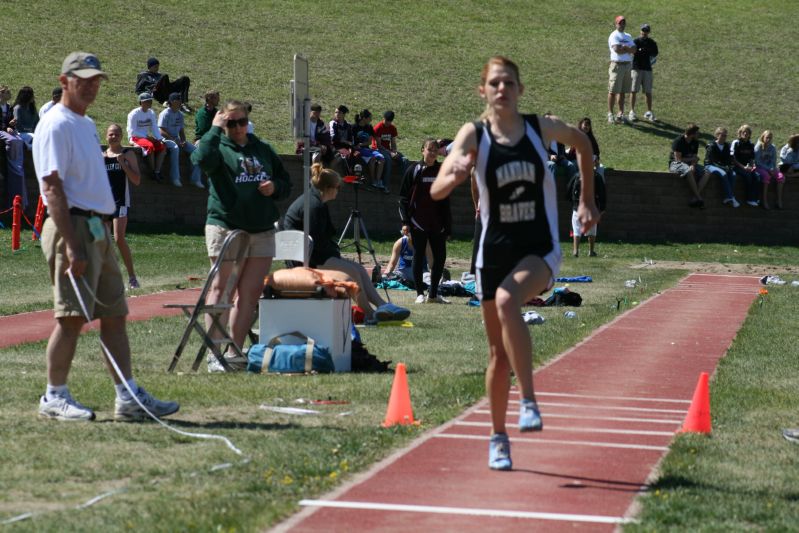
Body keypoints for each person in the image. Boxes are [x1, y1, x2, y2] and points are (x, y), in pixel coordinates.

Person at [430, 56, 599, 471]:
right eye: (494, 83)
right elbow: (437, 188)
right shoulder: (473, 133)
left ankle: (529, 400)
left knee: (509, 302)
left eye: (509, 82)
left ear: (520, 90)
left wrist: (586, 199)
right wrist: (456, 174)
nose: (501, 89)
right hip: (493, 251)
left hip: (538, 247)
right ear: (482, 90)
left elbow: (582, 144)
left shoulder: (540, 128)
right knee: (496, 356)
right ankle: (498, 437)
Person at [32, 51, 179, 421]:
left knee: (114, 314)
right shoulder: (57, 123)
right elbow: (52, 188)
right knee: (71, 316)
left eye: (97, 79)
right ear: (65, 81)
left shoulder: (85, 123)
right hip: (74, 227)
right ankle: (54, 395)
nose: (92, 86)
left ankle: (127, 397)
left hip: (97, 226)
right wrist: (72, 242)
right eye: (84, 79)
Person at [191, 99, 292, 372]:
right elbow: (200, 160)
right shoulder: (218, 147)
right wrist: (213, 130)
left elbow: (286, 182)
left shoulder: (262, 148)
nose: (237, 127)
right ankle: (214, 353)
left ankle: (233, 351)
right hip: (226, 226)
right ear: (223, 123)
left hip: (260, 228)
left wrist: (275, 188)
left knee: (249, 293)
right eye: (230, 122)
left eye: (241, 121)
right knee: (221, 289)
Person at [282, 163, 411, 324]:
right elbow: (317, 242)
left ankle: (383, 305)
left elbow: (320, 241)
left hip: (311, 253)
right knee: (352, 272)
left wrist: (337, 257)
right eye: (338, 187)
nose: (338, 191)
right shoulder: (314, 206)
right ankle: (370, 313)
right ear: (329, 188)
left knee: (359, 269)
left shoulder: (315, 201)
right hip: (306, 258)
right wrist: (337, 258)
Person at [399, 138, 451, 304]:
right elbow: (402, 199)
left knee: (440, 258)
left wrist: (448, 225)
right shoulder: (414, 170)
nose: (433, 152)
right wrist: (405, 222)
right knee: (419, 255)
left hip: (437, 223)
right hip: (417, 222)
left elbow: (446, 200)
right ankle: (419, 294)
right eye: (430, 149)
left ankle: (433, 294)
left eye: (436, 150)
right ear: (422, 150)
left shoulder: (442, 170)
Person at [103, 123, 142, 289]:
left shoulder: (128, 154)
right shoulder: (102, 155)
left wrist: (123, 163)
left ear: (122, 136)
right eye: (111, 134)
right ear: (106, 136)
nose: (114, 136)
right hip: (104, 203)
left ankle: (132, 277)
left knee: (119, 239)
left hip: (120, 201)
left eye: (117, 133)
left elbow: (137, 180)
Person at [158, 92, 204, 188]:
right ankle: (175, 178)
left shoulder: (180, 114)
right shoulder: (165, 113)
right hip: (165, 139)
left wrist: (183, 140)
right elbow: (161, 131)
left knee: (197, 151)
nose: (180, 102)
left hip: (177, 139)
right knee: (175, 148)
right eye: (178, 100)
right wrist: (174, 140)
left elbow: (181, 131)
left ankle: (195, 179)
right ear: (172, 101)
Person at [669, 124, 711, 208]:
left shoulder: (695, 142)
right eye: (697, 133)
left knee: (707, 172)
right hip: (675, 164)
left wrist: (693, 165)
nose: (699, 135)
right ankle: (698, 197)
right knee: (688, 170)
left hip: (689, 163)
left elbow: (695, 158)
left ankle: (695, 197)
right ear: (692, 134)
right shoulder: (678, 141)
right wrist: (691, 161)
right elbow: (678, 160)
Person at [127, 92, 167, 182]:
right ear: (141, 102)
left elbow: (154, 128)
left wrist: (160, 139)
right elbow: (132, 131)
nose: (149, 103)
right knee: (150, 146)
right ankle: (152, 171)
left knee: (163, 147)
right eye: (147, 101)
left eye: (150, 101)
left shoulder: (151, 113)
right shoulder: (133, 114)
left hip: (146, 137)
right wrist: (146, 137)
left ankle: (157, 171)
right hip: (135, 137)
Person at [567, 168, 606, 257]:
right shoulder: (597, 176)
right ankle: (591, 251)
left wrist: (573, 203)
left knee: (576, 230)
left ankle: (576, 251)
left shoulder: (577, 175)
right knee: (592, 231)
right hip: (591, 207)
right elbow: (602, 192)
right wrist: (602, 207)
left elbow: (569, 189)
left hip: (577, 206)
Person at [0, 84, 26, 209]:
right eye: (7, 92)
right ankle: (13, 157)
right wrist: (6, 127)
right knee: (12, 141)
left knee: (20, 140)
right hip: (2, 132)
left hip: (6, 130)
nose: (10, 94)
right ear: (1, 94)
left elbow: (9, 122)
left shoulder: (9, 107)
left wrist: (12, 124)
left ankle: (18, 159)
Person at [607, 15, 636, 124]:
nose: (622, 25)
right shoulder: (614, 35)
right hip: (617, 65)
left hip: (627, 65)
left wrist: (625, 47)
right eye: (620, 23)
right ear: (616, 24)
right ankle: (610, 114)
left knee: (623, 91)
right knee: (613, 91)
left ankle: (620, 113)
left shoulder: (628, 36)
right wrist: (627, 49)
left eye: (623, 23)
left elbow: (634, 50)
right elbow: (617, 50)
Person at [629, 23, 658, 122]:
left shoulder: (652, 43)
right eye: (643, 30)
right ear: (640, 31)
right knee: (633, 90)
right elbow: (632, 52)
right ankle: (632, 111)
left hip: (647, 69)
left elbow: (655, 54)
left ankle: (649, 112)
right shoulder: (635, 41)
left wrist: (643, 51)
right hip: (636, 68)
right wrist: (643, 51)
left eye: (646, 31)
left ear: (648, 32)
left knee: (648, 91)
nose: (644, 32)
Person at [373, 110, 409, 190]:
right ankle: (386, 185)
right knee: (388, 160)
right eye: (386, 121)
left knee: (405, 160)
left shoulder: (392, 128)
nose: (388, 123)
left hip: (388, 150)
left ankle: (404, 184)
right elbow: (379, 145)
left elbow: (393, 142)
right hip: (378, 150)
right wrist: (390, 153)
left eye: (389, 121)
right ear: (383, 118)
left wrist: (395, 151)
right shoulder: (378, 127)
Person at [704, 127, 739, 207]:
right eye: (722, 135)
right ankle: (731, 197)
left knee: (733, 174)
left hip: (722, 166)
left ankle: (728, 197)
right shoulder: (711, 145)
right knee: (723, 173)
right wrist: (722, 167)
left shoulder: (727, 146)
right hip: (710, 165)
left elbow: (729, 159)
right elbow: (711, 160)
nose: (724, 137)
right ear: (717, 135)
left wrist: (729, 166)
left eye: (725, 136)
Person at [353, 109, 387, 191]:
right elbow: (353, 143)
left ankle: (377, 181)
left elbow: (369, 142)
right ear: (364, 118)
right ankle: (373, 181)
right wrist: (358, 146)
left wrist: (362, 144)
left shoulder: (369, 127)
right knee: (372, 159)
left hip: (366, 149)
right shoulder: (354, 127)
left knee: (381, 158)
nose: (371, 120)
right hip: (359, 150)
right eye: (369, 118)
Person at [730, 124, 760, 206]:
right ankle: (749, 199)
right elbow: (733, 158)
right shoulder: (736, 143)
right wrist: (743, 167)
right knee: (748, 176)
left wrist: (753, 166)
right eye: (743, 132)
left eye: (747, 132)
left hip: (747, 167)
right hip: (736, 167)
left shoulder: (750, 144)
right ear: (740, 133)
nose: (745, 134)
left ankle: (755, 198)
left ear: (750, 134)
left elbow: (751, 158)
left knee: (757, 176)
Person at [754, 130, 784, 210]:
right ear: (763, 137)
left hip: (770, 168)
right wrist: (768, 169)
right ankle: (764, 200)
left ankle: (779, 200)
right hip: (759, 167)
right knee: (766, 176)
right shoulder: (758, 147)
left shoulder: (772, 147)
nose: (768, 140)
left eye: (770, 138)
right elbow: (757, 162)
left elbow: (773, 161)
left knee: (781, 177)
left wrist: (772, 168)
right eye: (767, 137)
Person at [543, 112, 577, 179]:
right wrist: (550, 156)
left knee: (571, 165)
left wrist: (561, 155)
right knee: (552, 165)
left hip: (559, 158)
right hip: (546, 159)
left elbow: (561, 147)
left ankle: (571, 188)